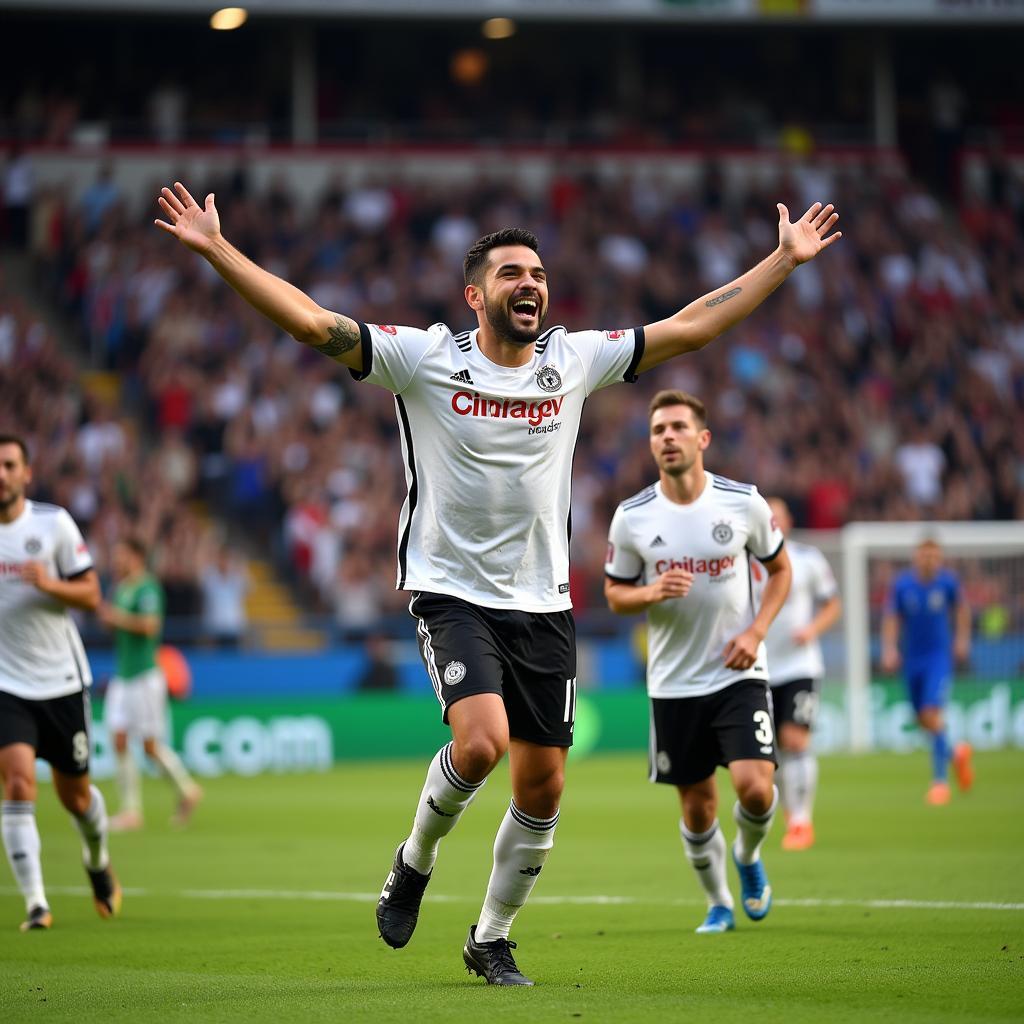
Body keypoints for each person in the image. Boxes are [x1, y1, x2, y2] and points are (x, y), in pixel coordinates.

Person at [154, 180, 840, 983]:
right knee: (479, 744)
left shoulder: (574, 359)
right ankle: (413, 861)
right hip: (452, 592)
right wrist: (217, 249)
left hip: (543, 602)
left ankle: (490, 936)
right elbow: (314, 323)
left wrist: (782, 263)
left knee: (543, 786)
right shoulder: (424, 358)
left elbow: (690, 327)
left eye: (539, 275)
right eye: (513, 273)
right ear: (474, 293)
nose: (531, 285)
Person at [604, 392, 792, 936]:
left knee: (756, 788)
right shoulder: (633, 517)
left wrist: (757, 631)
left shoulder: (743, 503)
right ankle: (718, 903)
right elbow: (615, 593)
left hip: (739, 672)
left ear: (702, 439)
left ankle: (749, 857)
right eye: (658, 428)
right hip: (673, 683)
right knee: (698, 807)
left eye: (678, 427)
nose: (667, 436)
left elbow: (780, 572)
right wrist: (651, 592)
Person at [0, 433, 120, 931]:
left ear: (26, 473)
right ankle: (36, 904)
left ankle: (97, 860)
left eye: (8, 465)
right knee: (19, 781)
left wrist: (47, 583)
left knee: (76, 797)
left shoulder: (52, 525)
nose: (0, 474)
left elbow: (92, 595)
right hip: (8, 684)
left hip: (63, 681)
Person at [754, 497, 841, 851]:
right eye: (768, 517)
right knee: (766, 754)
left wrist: (812, 629)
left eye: (779, 516)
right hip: (757, 668)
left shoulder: (807, 559)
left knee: (795, 740)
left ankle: (802, 821)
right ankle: (789, 813)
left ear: (788, 521)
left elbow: (833, 603)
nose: (774, 522)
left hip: (799, 665)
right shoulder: (746, 562)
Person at [98, 537, 203, 830]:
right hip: (123, 674)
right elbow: (116, 627)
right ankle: (131, 811)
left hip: (144, 675)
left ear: (137, 557)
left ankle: (186, 788)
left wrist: (116, 617)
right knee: (118, 739)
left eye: (122, 555)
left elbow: (149, 626)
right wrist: (108, 619)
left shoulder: (147, 588)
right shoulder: (120, 588)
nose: (117, 561)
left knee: (149, 746)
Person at [881, 537, 973, 805]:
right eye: (925, 555)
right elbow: (891, 617)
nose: (929, 560)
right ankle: (956, 752)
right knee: (922, 720)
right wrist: (889, 648)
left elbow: (962, 609)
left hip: (938, 659)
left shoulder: (948, 582)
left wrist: (962, 639)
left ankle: (940, 783)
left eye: (934, 556)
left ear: (940, 558)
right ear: (916, 557)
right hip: (912, 661)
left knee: (931, 713)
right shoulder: (903, 584)